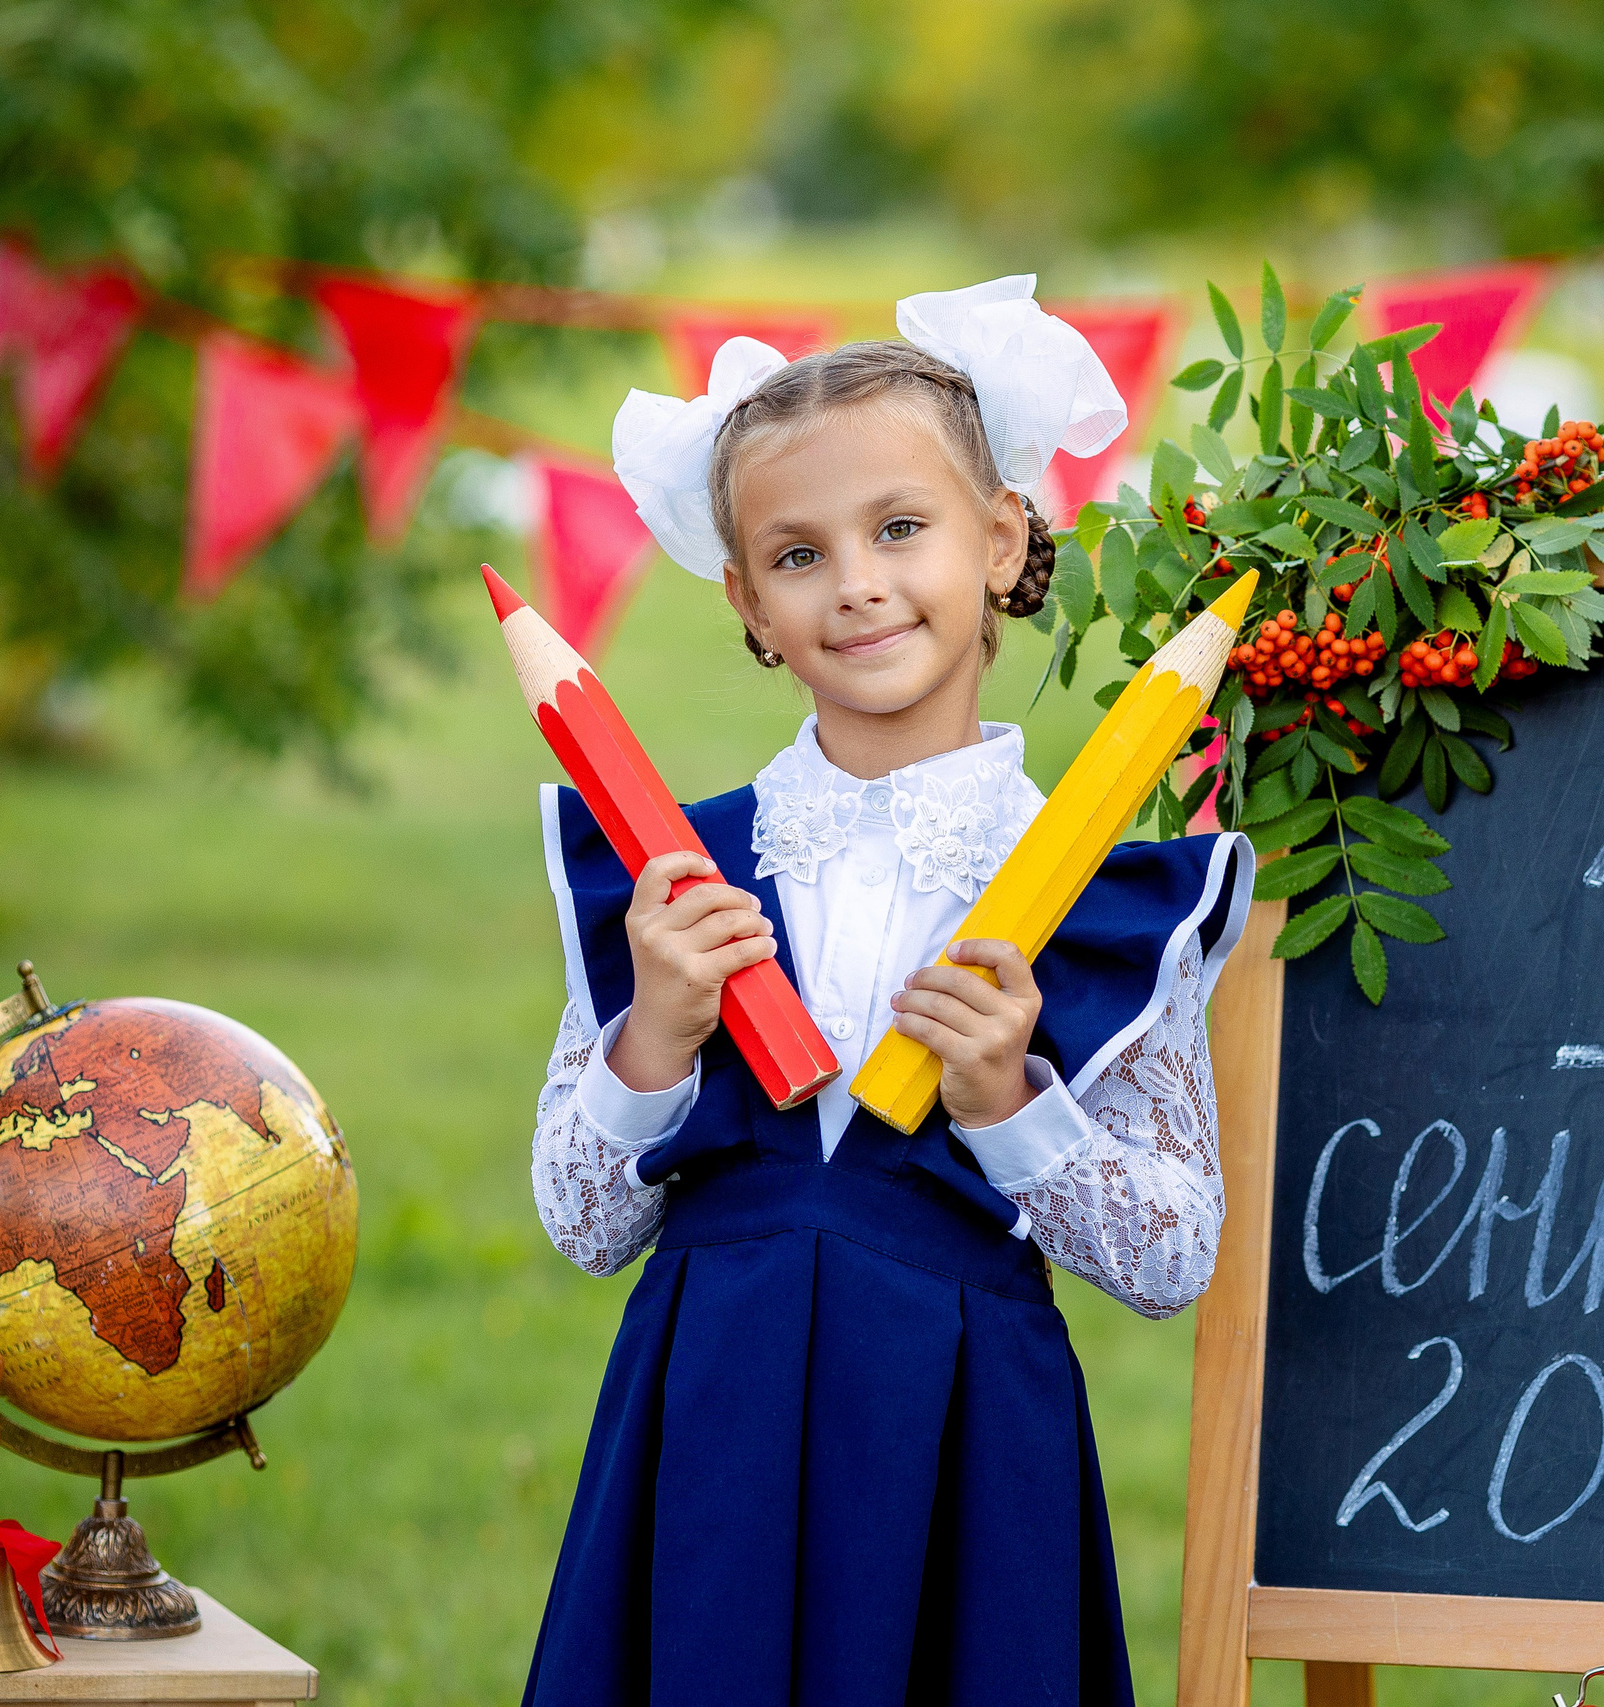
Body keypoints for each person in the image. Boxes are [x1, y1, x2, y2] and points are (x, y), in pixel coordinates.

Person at [521, 277, 1255, 1707]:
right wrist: (657, 1036)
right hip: (709, 1420)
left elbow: (1171, 1261)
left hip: (965, 1439)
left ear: (1000, 539)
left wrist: (1007, 1103)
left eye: (899, 529)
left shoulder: (1102, 895)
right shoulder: (675, 874)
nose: (854, 582)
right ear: (747, 604)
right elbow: (580, 1221)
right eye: (797, 554)